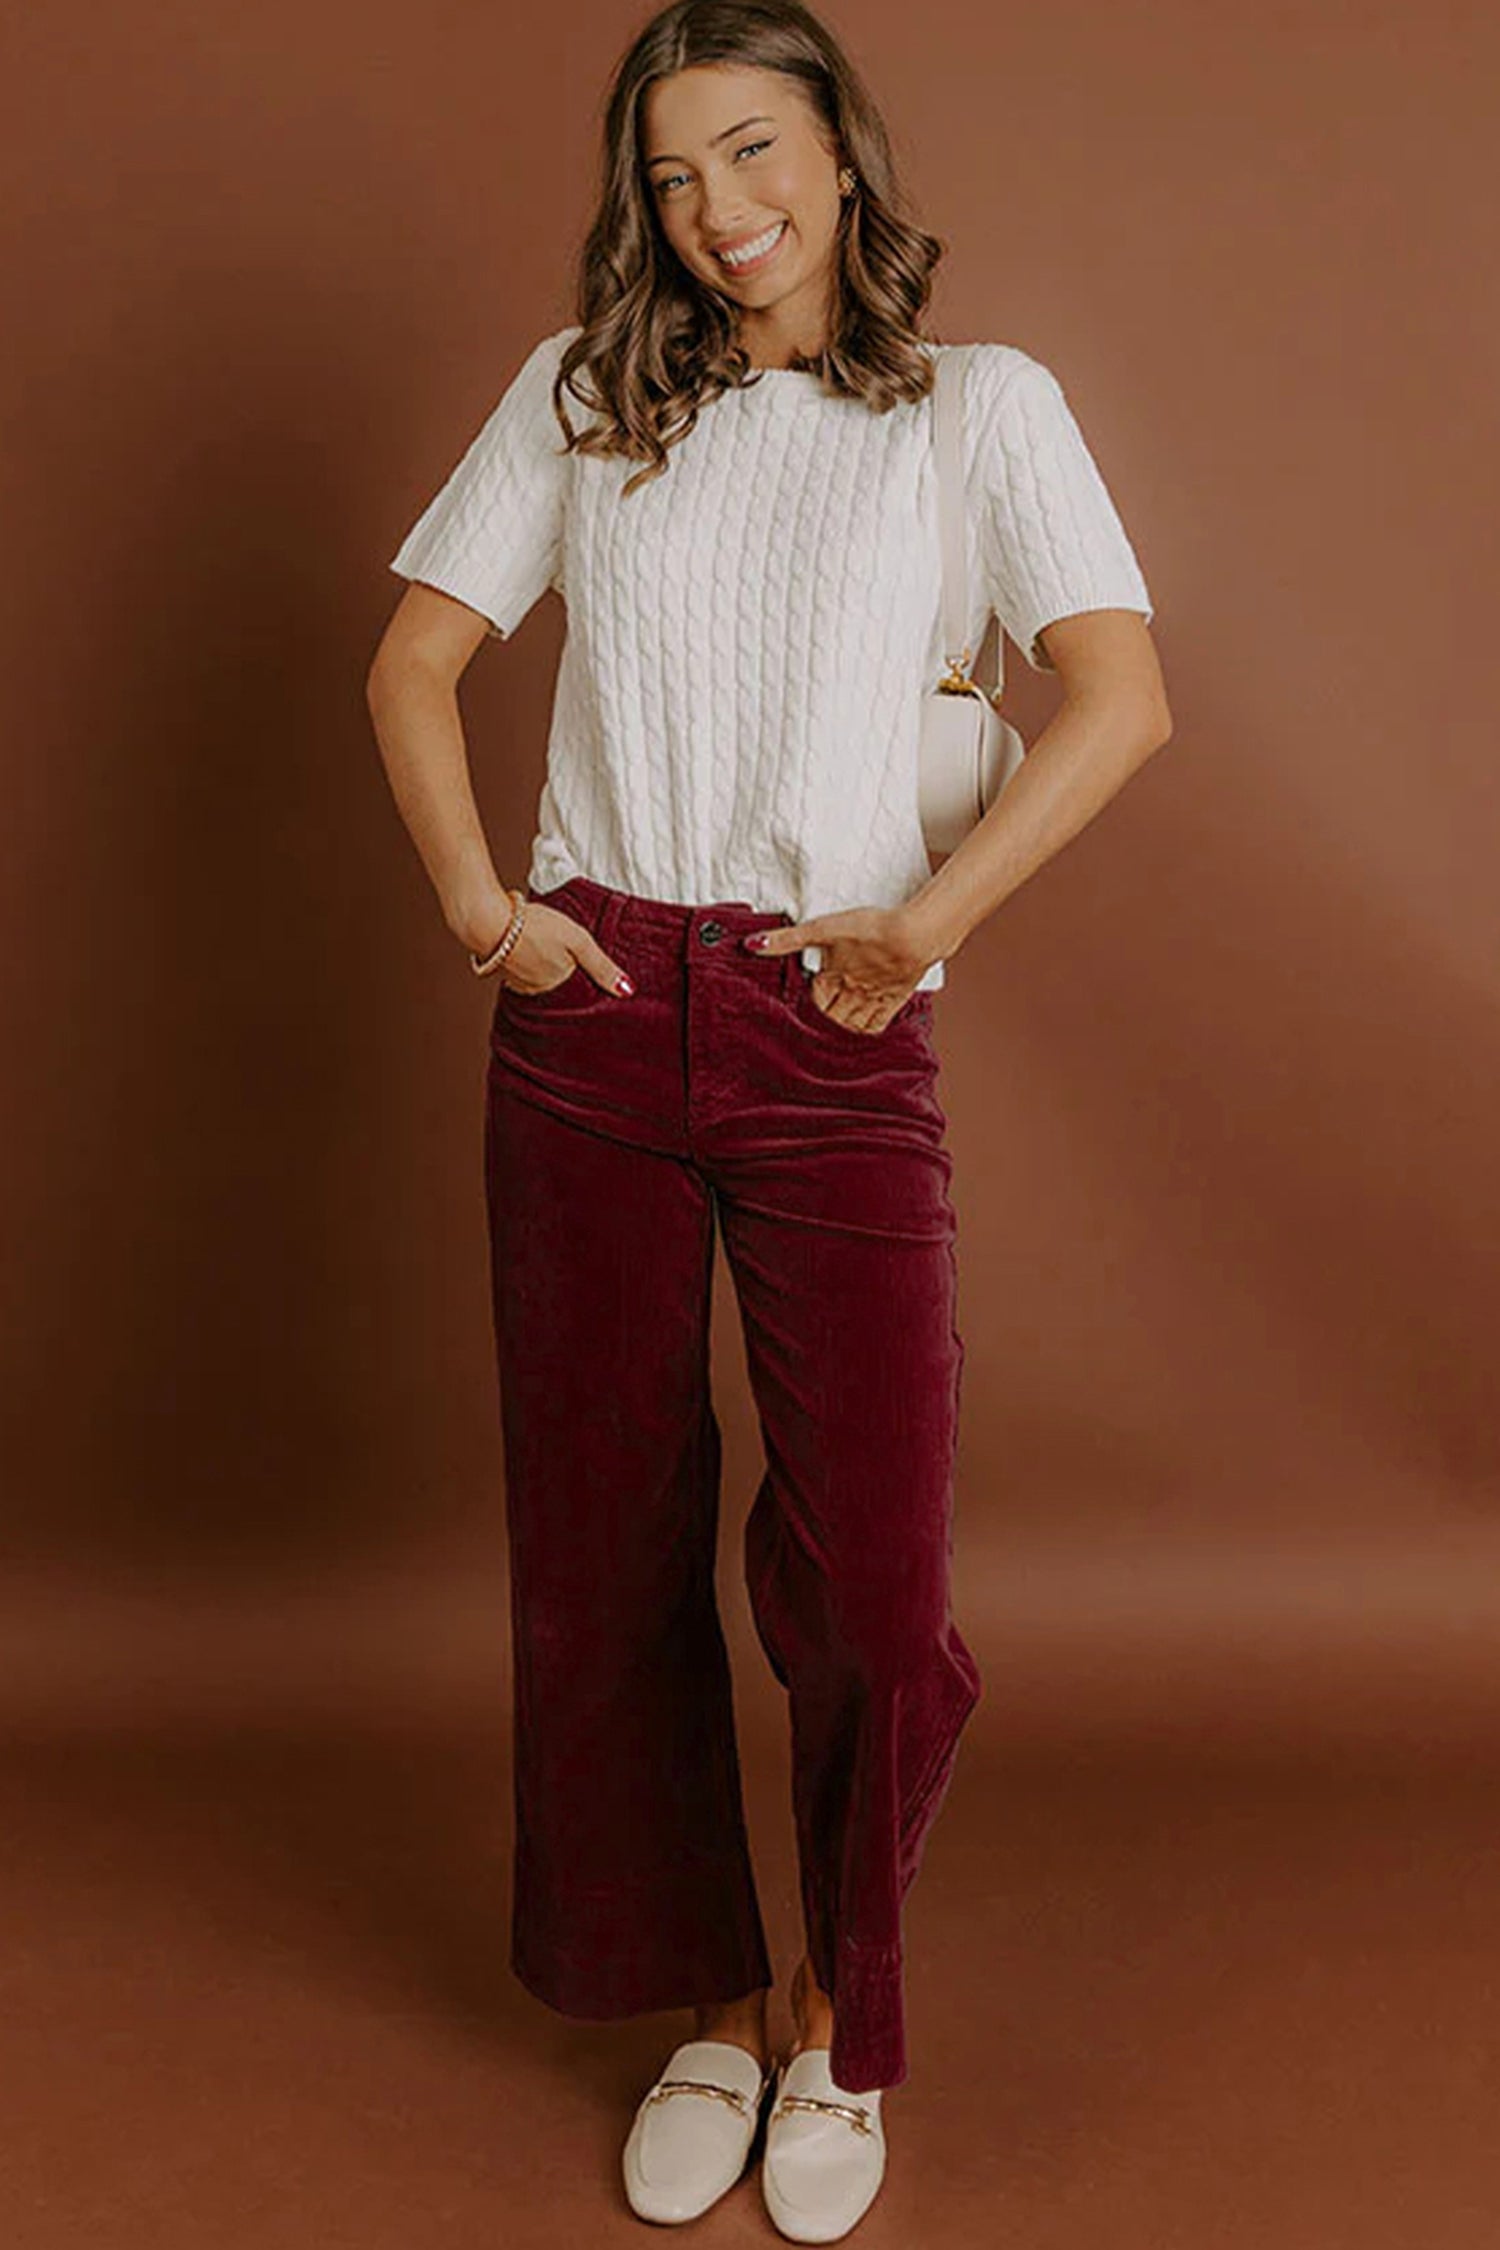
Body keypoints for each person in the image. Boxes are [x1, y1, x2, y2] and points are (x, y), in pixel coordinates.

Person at [365, 1, 1171, 2237]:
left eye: (750, 151)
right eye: (669, 173)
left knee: (875, 1591)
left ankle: (836, 2016)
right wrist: (480, 914)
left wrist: (926, 915)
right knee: (603, 1561)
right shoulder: (582, 391)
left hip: (833, 1022)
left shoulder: (979, 410)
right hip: (597, 1009)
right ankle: (705, 2004)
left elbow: (1120, 694)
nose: (716, 212)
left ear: (839, 148)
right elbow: (413, 660)